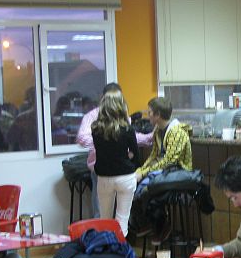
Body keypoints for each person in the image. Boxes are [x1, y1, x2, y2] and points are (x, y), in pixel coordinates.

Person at [76, 82, 153, 217]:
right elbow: (82, 138)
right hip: (102, 169)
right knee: (101, 213)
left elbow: (129, 137)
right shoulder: (93, 116)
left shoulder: (124, 118)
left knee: (122, 215)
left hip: (121, 170)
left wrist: (149, 138)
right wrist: (105, 145)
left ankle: (116, 237)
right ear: (104, 98)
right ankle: (103, 237)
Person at [92, 91, 139, 236]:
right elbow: (135, 155)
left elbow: (103, 151)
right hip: (125, 177)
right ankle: (121, 253)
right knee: (122, 220)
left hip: (104, 178)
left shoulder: (96, 129)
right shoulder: (127, 129)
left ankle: (106, 253)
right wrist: (127, 156)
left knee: (104, 220)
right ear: (121, 107)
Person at [136, 96, 192, 181]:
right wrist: (141, 170)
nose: (148, 115)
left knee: (145, 187)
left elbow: (169, 161)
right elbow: (154, 155)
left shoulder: (176, 132)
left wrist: (143, 173)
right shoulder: (158, 131)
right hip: (162, 171)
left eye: (149, 112)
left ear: (158, 114)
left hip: (177, 172)